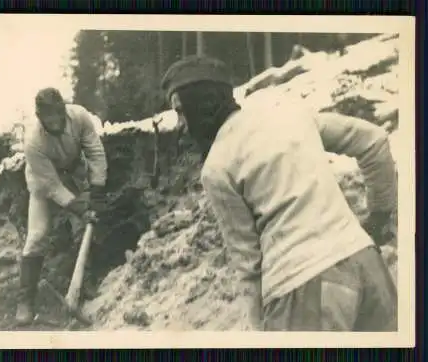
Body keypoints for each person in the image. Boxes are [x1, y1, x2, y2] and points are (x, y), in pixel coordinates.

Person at [161, 56, 398, 331]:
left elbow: (248, 265)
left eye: (181, 111)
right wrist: (379, 217)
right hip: (367, 266)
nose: (180, 125)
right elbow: (374, 142)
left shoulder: (217, 166)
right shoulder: (284, 110)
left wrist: (260, 332)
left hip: (300, 288)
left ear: (201, 105)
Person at [17, 87, 108, 325]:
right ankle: (25, 300)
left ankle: (84, 284)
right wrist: (78, 206)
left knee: (86, 224)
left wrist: (97, 190)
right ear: (40, 117)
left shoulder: (79, 117)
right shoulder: (33, 142)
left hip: (74, 171)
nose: (55, 122)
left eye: (57, 115)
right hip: (42, 181)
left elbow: (95, 152)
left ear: (63, 109)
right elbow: (52, 186)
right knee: (37, 235)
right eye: (48, 118)